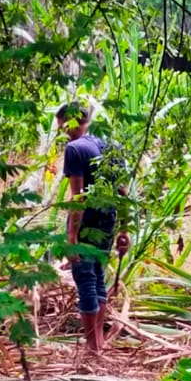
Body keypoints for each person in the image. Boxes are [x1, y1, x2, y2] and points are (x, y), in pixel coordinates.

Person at [55, 103, 130, 364]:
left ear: (74, 121)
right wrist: (124, 229)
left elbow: (79, 197)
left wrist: (71, 238)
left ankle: (91, 348)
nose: (62, 133)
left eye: (63, 127)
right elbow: (123, 194)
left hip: (86, 223)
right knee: (98, 277)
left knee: (86, 279)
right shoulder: (111, 146)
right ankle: (98, 341)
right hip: (107, 221)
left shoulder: (75, 149)